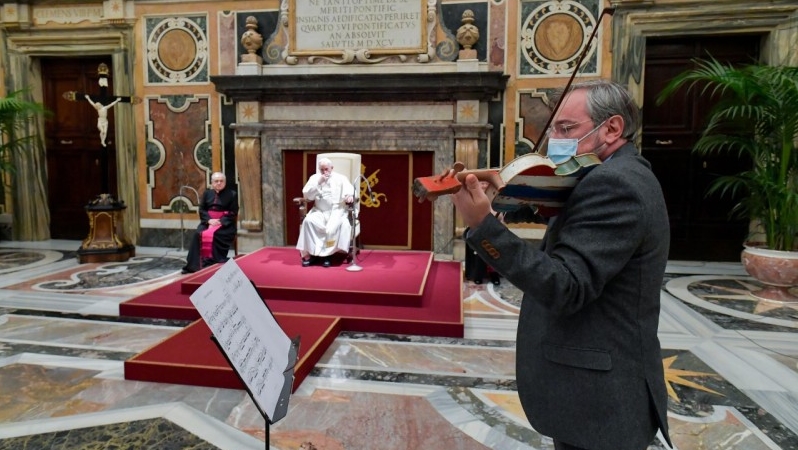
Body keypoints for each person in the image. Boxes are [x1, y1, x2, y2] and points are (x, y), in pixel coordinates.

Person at [451, 80, 672, 450]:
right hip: (599, 389)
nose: (555, 140)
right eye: (553, 128)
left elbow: (566, 286)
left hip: (600, 399)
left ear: (612, 128)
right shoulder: (621, 171)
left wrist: (483, 226)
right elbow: (577, 222)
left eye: (566, 129)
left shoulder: (615, 184)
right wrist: (512, 194)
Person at [296, 157, 355, 267]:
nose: (324, 172)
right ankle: (312, 254)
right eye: (321, 170)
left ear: (332, 168)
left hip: (337, 211)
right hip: (319, 211)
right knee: (309, 221)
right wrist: (318, 183)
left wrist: (349, 196)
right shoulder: (315, 178)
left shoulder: (341, 178)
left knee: (331, 227)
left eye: (326, 169)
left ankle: (327, 256)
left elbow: (349, 190)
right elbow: (308, 195)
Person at [182, 172, 239, 274]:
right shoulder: (207, 194)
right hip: (208, 222)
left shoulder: (232, 194)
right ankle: (195, 265)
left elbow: (233, 212)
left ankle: (213, 262)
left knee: (216, 235)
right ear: (212, 183)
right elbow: (202, 209)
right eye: (216, 181)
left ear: (225, 182)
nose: (219, 183)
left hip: (225, 225)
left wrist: (221, 221)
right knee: (198, 234)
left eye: (221, 181)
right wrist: (209, 220)